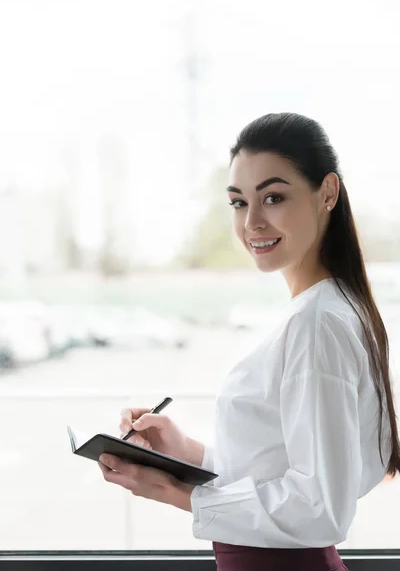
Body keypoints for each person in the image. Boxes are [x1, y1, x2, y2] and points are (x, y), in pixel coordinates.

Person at [98, 112, 400, 570]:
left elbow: (321, 508)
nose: (251, 222)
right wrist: (187, 451)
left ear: (328, 194)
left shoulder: (317, 323)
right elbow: (281, 465)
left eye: (273, 197)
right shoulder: (325, 310)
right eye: (239, 203)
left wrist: (179, 492)